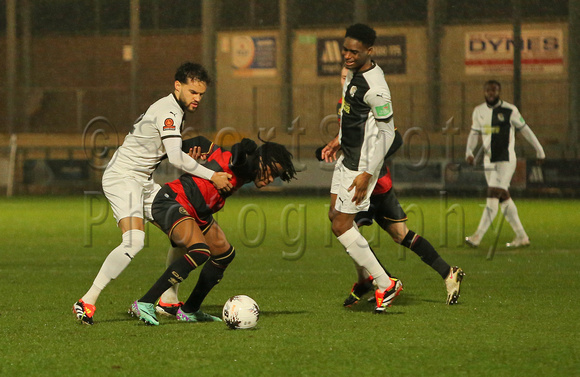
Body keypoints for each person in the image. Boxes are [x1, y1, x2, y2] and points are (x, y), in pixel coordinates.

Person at [73, 62, 232, 325]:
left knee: (185, 232)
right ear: (177, 86)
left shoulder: (173, 110)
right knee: (134, 241)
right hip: (123, 179)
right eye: (193, 92)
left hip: (145, 183)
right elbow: (174, 157)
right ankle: (87, 301)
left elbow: (168, 149)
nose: (197, 99)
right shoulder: (169, 110)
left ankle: (169, 301)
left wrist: (189, 150)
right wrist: (211, 174)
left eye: (201, 94)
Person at [318, 68, 464, 307]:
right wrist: (337, 142)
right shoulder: (343, 104)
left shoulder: (369, 97)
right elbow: (354, 137)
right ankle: (374, 280)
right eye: (343, 76)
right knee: (343, 224)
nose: (346, 80)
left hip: (374, 184)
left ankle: (389, 281)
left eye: (349, 76)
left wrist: (370, 167)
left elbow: (393, 138)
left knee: (379, 232)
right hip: (361, 182)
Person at [129, 136, 296, 325]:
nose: (271, 179)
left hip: (199, 211)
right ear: (261, 161)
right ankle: (145, 302)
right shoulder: (247, 164)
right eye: (272, 172)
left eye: (276, 176)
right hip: (174, 200)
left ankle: (190, 310)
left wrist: (187, 149)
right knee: (199, 251)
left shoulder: (244, 168)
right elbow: (238, 159)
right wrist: (241, 148)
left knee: (224, 254)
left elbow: (201, 142)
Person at [320, 23, 400, 314]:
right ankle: (369, 278)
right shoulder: (353, 74)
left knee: (341, 225)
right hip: (347, 158)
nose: (348, 55)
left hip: (362, 165)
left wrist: (368, 172)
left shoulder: (376, 88)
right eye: (345, 49)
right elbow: (352, 118)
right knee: (335, 217)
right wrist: (338, 140)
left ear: (370, 51)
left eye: (354, 51)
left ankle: (384, 282)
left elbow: (388, 133)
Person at [465, 80, 545, 248]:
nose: (491, 93)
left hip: (506, 160)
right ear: (484, 91)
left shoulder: (510, 110)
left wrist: (539, 149)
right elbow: (474, 133)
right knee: (503, 198)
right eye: (488, 90)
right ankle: (522, 236)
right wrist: (469, 152)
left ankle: (477, 236)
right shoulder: (478, 111)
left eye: (494, 90)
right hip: (489, 161)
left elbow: (525, 130)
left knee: (493, 194)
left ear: (499, 91)